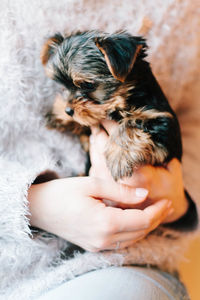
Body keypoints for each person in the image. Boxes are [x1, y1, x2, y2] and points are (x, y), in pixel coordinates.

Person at [0, 1, 199, 299]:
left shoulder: (184, 8)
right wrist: (34, 204)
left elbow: (194, 122)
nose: (69, 105)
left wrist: (178, 199)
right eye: (66, 90)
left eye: (87, 87)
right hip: (12, 260)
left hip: (130, 261)